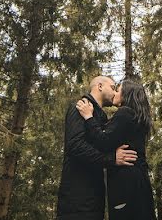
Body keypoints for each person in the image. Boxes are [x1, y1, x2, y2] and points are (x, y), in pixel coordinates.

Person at [56, 76, 137, 220]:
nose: (114, 92)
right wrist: (111, 158)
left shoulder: (100, 116)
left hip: (95, 199)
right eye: (112, 87)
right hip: (76, 199)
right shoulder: (81, 106)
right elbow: (75, 146)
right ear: (100, 86)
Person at [75, 78, 156, 220]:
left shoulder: (125, 113)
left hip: (126, 183)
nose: (114, 93)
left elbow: (104, 141)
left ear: (126, 94)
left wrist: (88, 117)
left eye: (117, 90)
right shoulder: (136, 117)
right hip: (139, 182)